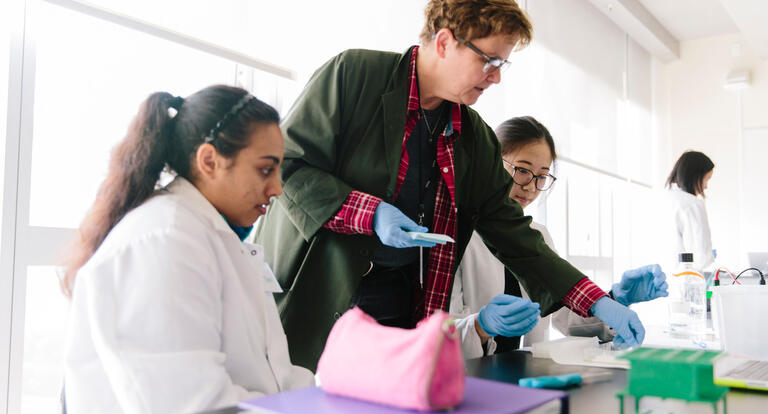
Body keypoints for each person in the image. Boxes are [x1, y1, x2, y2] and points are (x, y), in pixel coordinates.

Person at [255, 0, 644, 370]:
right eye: (488, 61)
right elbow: (287, 164)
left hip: (402, 314)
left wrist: (596, 301)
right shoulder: (353, 75)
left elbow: (516, 237)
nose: (495, 77)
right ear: (444, 42)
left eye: (502, 64)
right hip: (320, 296)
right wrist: (370, 213)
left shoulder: (474, 137)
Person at [61, 85, 314, 414]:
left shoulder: (211, 236)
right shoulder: (165, 240)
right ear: (209, 161)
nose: (278, 189)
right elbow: (190, 412)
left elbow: (273, 373)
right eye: (265, 170)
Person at [450, 116, 669, 358]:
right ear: (491, 164)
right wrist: (481, 327)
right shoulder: (460, 233)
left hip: (527, 376)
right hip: (468, 380)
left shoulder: (539, 235)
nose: (531, 186)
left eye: (542, 176)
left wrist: (614, 300)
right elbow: (434, 336)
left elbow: (565, 317)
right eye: (522, 170)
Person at [664, 150, 715, 270]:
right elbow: (702, 259)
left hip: (659, 283)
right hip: (686, 282)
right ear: (694, 176)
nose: (706, 186)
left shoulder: (663, 198)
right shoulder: (692, 204)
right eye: (706, 179)